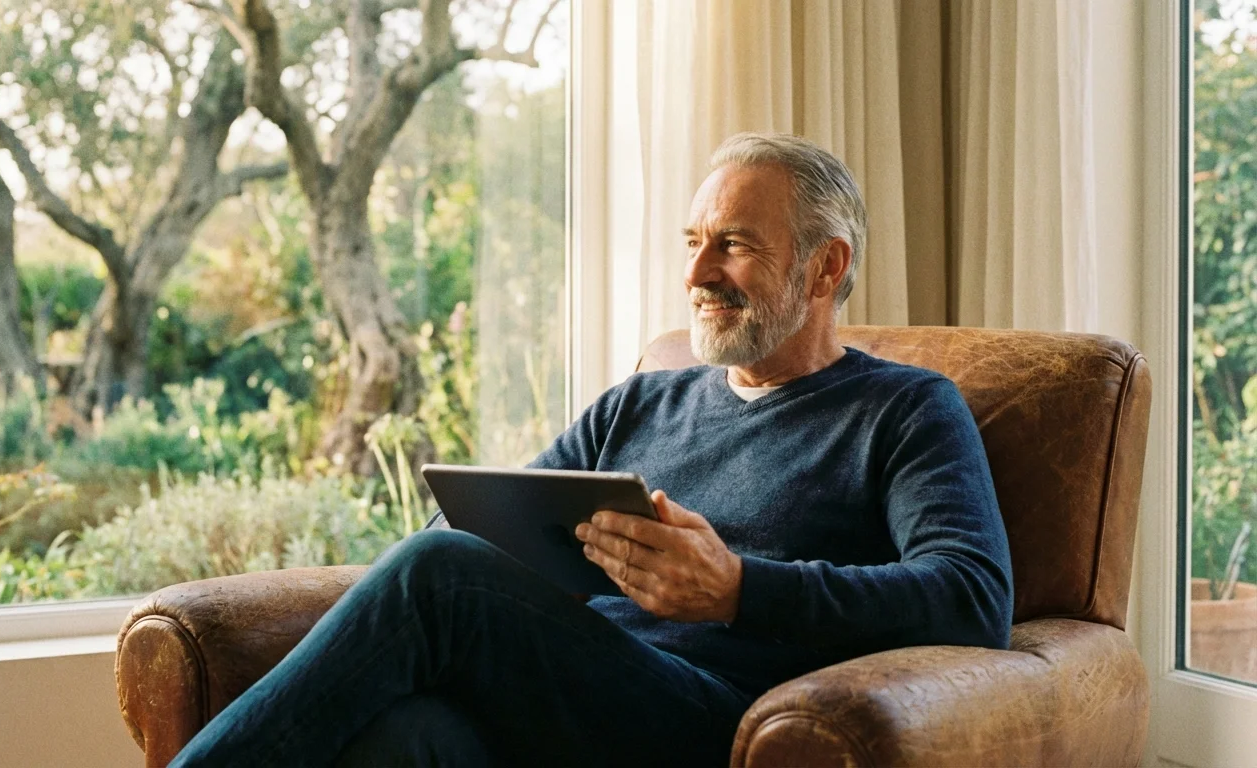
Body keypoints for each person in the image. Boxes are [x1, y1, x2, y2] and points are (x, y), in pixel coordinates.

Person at [170, 132, 1014, 768]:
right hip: (571, 704)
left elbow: (972, 596)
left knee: (437, 573)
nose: (698, 274)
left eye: (736, 244)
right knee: (404, 734)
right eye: (694, 243)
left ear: (826, 268)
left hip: (716, 720)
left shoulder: (903, 410)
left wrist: (738, 591)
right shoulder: (643, 400)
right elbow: (469, 542)